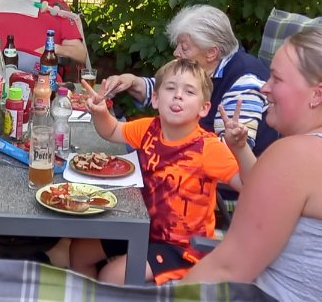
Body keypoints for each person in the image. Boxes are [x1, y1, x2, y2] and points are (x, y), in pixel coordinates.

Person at [181, 28, 322, 301]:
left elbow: (227, 269)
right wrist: (240, 148)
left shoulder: (296, 154)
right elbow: (270, 198)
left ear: (318, 94)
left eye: (277, 78)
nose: (264, 87)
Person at [70, 58, 242, 285]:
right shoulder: (149, 128)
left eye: (189, 91)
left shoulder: (208, 147)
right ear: (155, 98)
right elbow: (112, 131)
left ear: (204, 108)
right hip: (140, 228)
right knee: (79, 251)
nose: (178, 95)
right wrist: (100, 113)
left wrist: (240, 148)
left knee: (111, 276)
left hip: (181, 247)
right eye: (170, 88)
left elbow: (248, 185)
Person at [100, 4, 275, 152]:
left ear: (211, 53)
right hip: (194, 154)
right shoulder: (207, 69)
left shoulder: (244, 81)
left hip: (222, 176)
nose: (176, 53)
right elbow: (170, 87)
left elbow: (230, 153)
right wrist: (132, 82)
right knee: (135, 144)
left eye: (184, 48)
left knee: (138, 148)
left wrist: (165, 148)